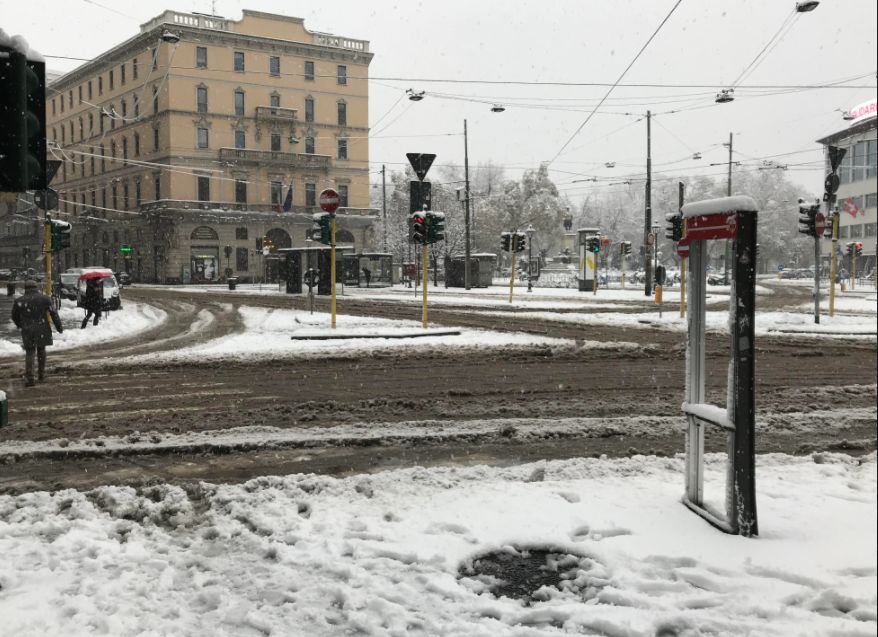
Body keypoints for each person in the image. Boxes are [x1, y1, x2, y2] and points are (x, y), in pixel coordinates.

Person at [11, 280, 64, 387]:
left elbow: (14, 317)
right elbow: (54, 313)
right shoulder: (45, 299)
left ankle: (30, 378)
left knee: (30, 352)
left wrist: (21, 325)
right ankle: (41, 374)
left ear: (26, 288)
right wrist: (59, 327)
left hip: (28, 330)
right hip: (42, 328)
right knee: (41, 350)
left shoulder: (19, 301)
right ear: (36, 287)